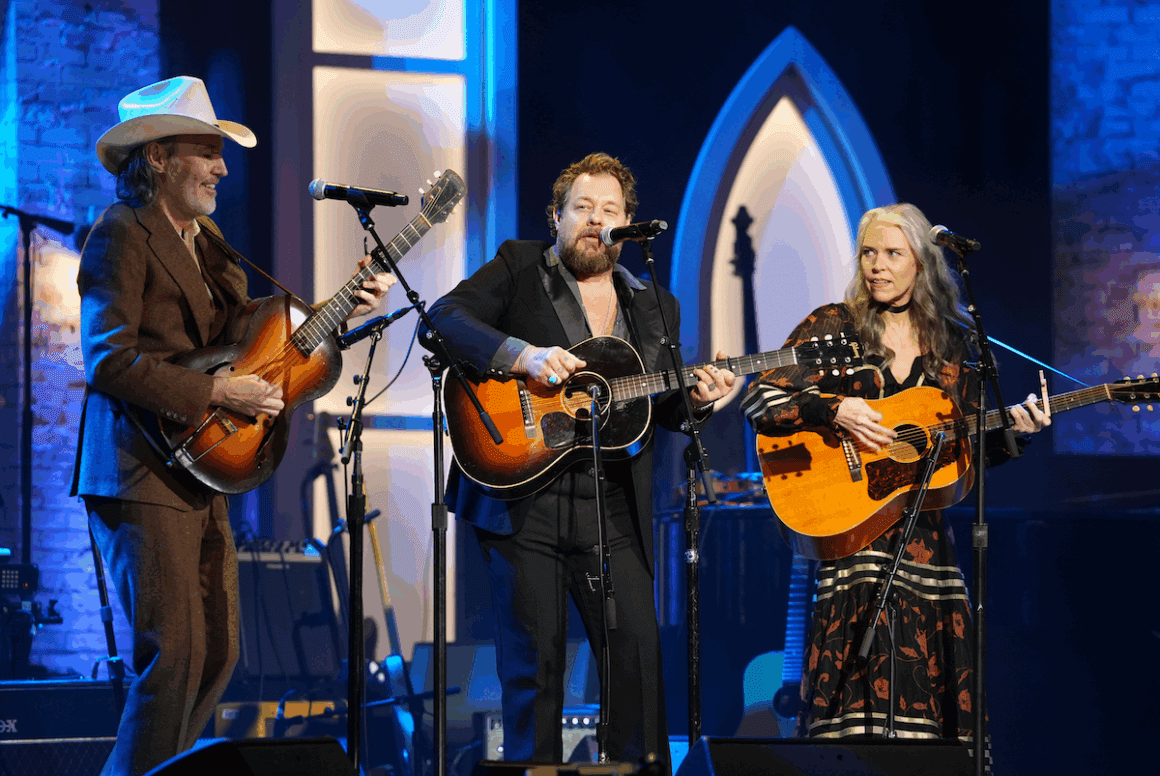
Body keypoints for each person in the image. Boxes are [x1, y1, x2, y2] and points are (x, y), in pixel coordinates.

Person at [71, 75, 396, 776]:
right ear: (157, 157)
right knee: (175, 652)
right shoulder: (121, 232)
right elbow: (108, 360)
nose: (222, 168)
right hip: (137, 465)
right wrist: (219, 389)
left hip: (200, 464)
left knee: (219, 651)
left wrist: (350, 312)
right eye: (207, 152)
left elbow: (258, 344)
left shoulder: (211, 241)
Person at [425, 152, 734, 770]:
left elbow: (658, 412)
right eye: (583, 208)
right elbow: (443, 320)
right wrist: (522, 356)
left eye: (610, 210)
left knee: (637, 669)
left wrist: (699, 401)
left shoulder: (657, 307)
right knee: (533, 675)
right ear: (557, 218)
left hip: (613, 507)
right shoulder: (518, 266)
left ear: (627, 224)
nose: (596, 220)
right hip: (523, 500)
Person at [740, 204, 1049, 748]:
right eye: (868, 252)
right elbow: (761, 396)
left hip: (928, 553)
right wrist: (831, 410)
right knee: (852, 731)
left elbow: (964, 453)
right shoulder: (835, 327)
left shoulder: (956, 348)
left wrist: (1017, 432)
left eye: (891, 254)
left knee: (930, 734)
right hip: (853, 543)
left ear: (922, 265)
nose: (876, 266)